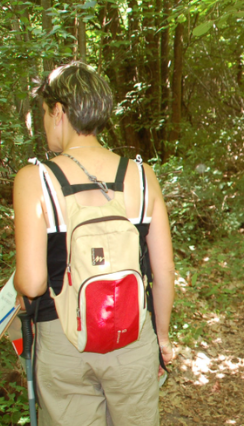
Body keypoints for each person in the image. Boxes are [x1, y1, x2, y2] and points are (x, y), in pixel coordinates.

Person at [13, 62, 175, 426]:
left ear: (59, 112)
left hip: (63, 340)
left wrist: (16, 285)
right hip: (132, 334)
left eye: (43, 112)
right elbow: (163, 271)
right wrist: (160, 337)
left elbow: (33, 282)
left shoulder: (34, 179)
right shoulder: (141, 176)